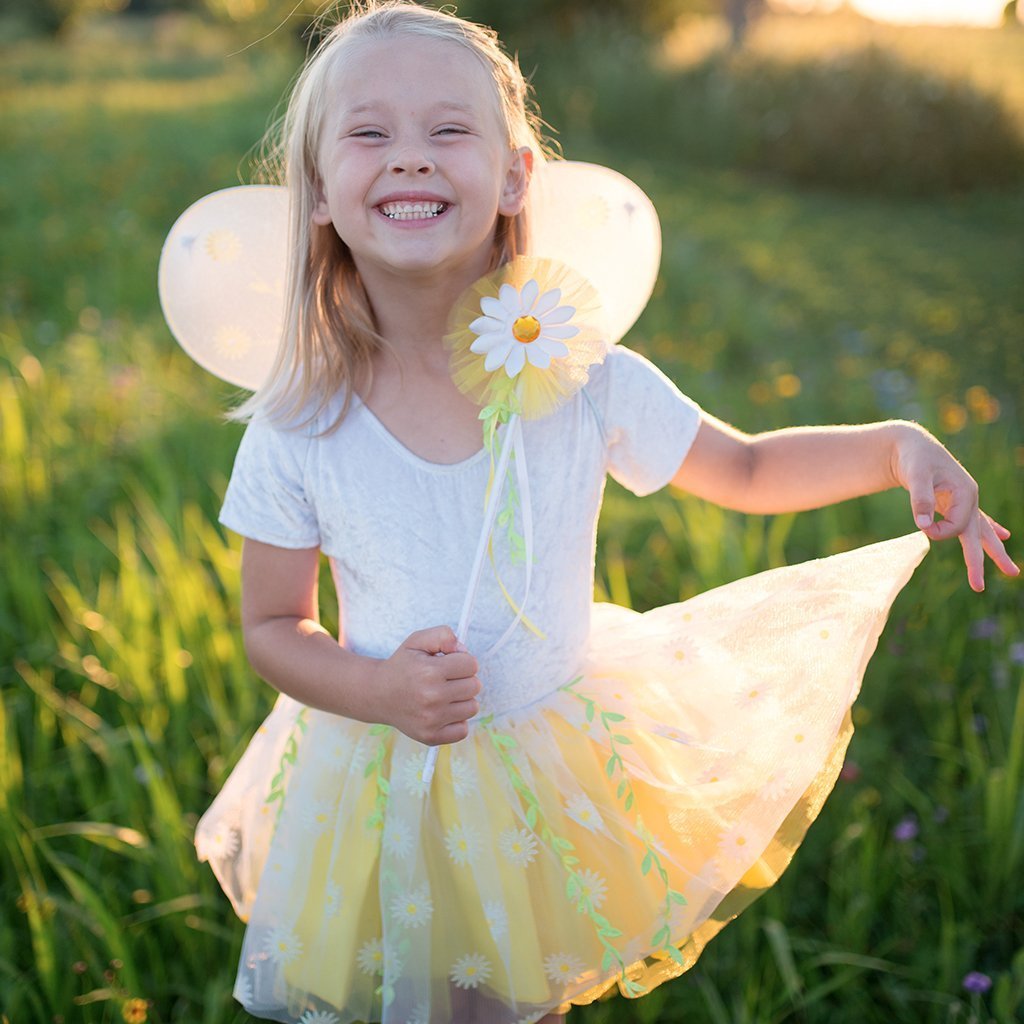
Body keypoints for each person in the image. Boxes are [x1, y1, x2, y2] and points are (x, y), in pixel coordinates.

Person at [183, 3, 1018, 1022]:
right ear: (314, 190)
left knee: (521, 997)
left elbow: (747, 470)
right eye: (369, 133)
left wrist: (889, 445)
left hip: (551, 760)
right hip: (394, 768)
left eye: (448, 130)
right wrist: (377, 688)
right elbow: (273, 626)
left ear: (515, 176)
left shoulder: (579, 376)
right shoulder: (298, 423)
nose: (409, 158)